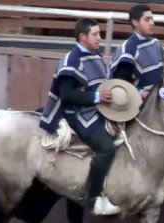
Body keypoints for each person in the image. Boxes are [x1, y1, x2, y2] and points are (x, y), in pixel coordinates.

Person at [39, 18, 116, 211]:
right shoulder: (71, 60)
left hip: (97, 106)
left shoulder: (95, 56)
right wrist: (98, 97)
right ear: (83, 37)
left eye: (100, 33)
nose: (100, 38)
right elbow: (67, 95)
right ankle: (92, 197)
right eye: (95, 34)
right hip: (77, 113)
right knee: (107, 148)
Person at [110, 4, 164, 97]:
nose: (152, 23)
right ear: (135, 22)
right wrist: (141, 93)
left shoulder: (156, 43)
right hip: (138, 103)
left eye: (152, 19)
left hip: (159, 97)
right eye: (147, 20)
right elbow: (121, 81)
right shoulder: (128, 49)